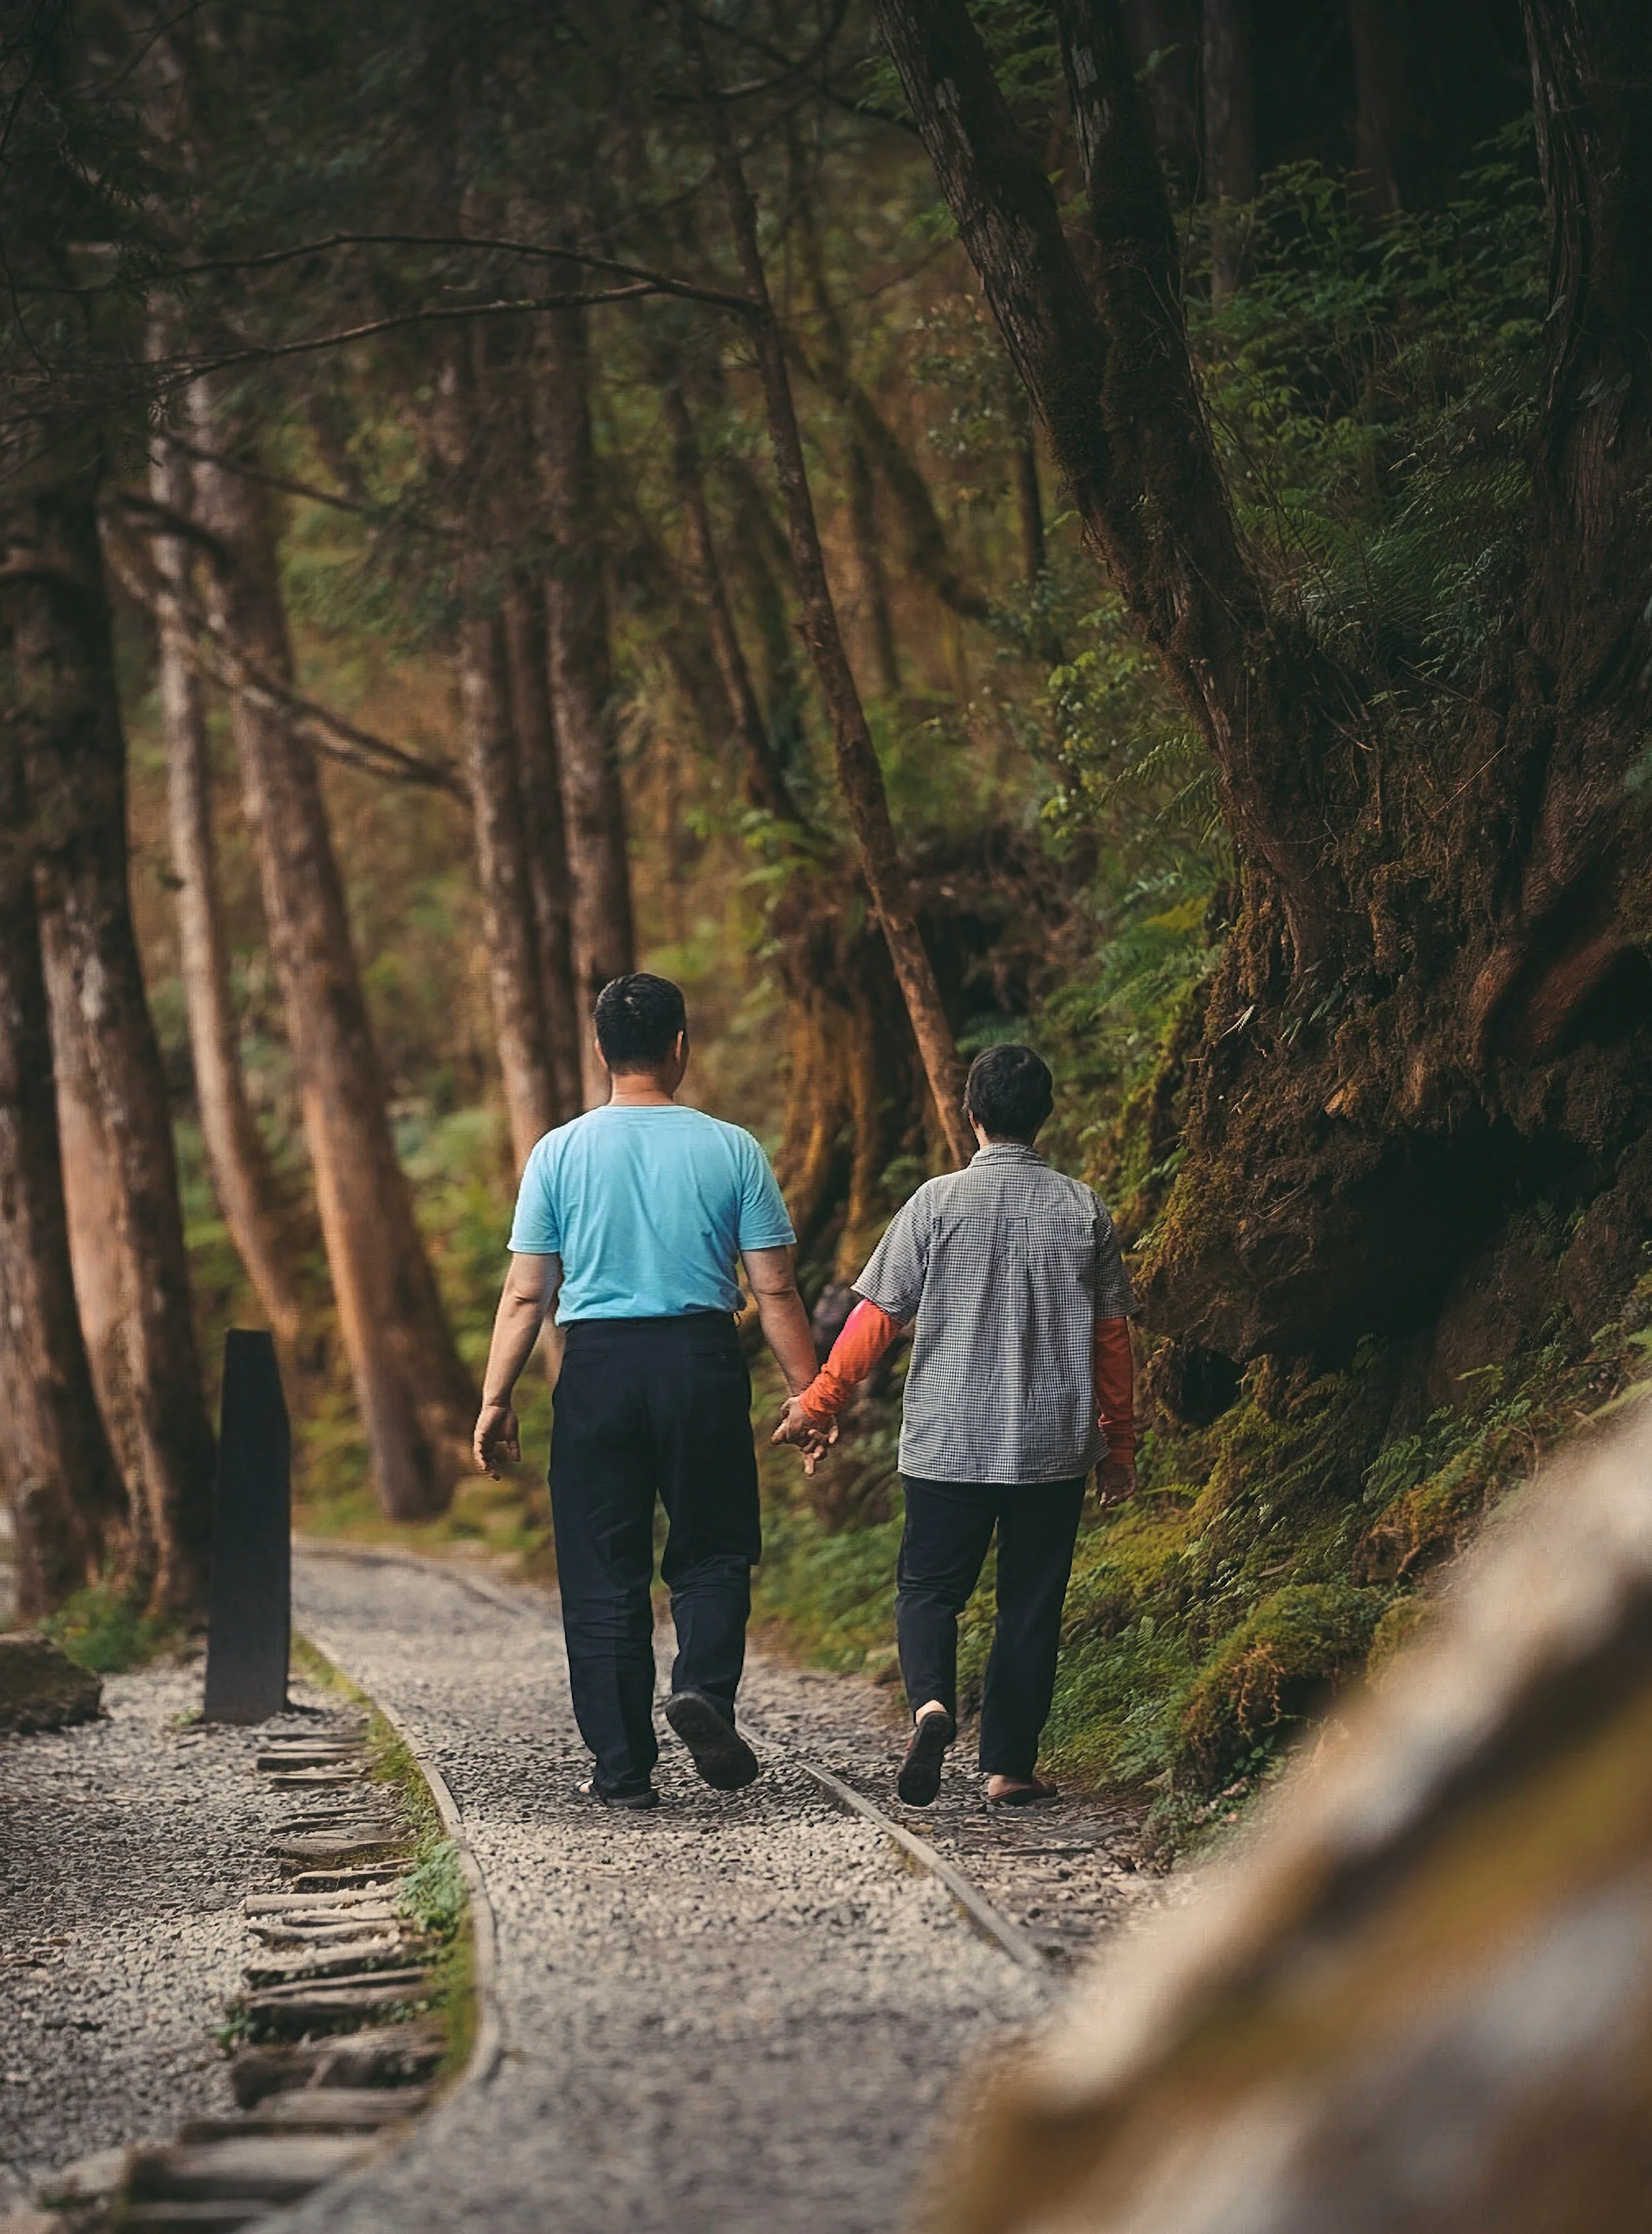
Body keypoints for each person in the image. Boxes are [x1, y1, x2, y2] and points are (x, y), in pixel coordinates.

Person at [473, 973, 819, 1810]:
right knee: (712, 1548)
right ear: (680, 1047)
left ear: (600, 1052)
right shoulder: (732, 1149)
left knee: (601, 1576)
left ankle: (623, 1771)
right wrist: (811, 1395)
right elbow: (774, 1291)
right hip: (700, 1365)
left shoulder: (558, 1152)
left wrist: (494, 1399)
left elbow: (527, 1295)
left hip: (594, 1371)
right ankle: (701, 1688)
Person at [774, 1044, 1137, 1808]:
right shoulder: (1083, 1208)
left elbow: (875, 1321)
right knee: (1030, 1604)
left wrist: (819, 1403)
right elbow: (1112, 1341)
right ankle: (1008, 1767)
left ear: (971, 1116)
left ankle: (932, 1704)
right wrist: (1119, 1446)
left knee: (930, 1592)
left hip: (948, 1443)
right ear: (1044, 1117)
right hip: (1053, 1447)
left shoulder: (934, 1204)